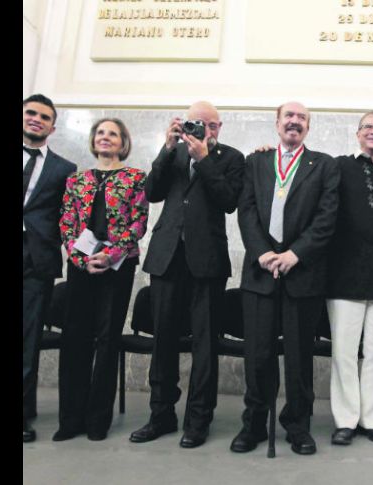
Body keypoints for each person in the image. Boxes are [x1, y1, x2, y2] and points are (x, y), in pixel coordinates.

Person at [129, 101, 245, 449]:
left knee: (204, 344)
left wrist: (205, 158)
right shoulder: (174, 153)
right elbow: (152, 192)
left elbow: (228, 201)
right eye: (197, 123)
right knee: (163, 339)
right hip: (167, 257)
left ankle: (198, 420)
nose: (203, 130)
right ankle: (161, 414)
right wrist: (167, 149)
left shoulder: (231, 158)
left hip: (206, 261)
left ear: (219, 128)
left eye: (210, 125)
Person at [230, 101, 339, 456]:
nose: (294, 122)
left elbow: (327, 217)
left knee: (298, 357)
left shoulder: (324, 165)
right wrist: (262, 252)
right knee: (257, 356)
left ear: (309, 126)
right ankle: (254, 425)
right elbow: (245, 210)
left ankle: (298, 426)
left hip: (302, 273)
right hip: (259, 272)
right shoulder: (256, 161)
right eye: (288, 117)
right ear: (277, 123)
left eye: (302, 118)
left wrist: (295, 254)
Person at [55, 118, 149, 441]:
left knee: (108, 339)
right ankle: (70, 419)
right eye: (100, 133)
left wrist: (110, 255)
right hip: (81, 267)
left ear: (123, 142)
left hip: (118, 267)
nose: (105, 138)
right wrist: (81, 259)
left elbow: (138, 222)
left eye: (113, 133)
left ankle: (97, 421)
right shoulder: (76, 181)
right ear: (93, 141)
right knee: (75, 337)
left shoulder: (135, 178)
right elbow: (66, 222)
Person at [326, 112, 373, 446]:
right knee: (343, 351)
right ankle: (345, 420)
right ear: (357, 134)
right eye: (368, 127)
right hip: (345, 272)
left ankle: (372, 420)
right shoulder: (339, 166)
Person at [23, 94, 77, 443]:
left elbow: (68, 217)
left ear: (52, 127)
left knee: (27, 341)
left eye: (44, 116)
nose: (36, 119)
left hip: (36, 260)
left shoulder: (64, 169)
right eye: (30, 112)